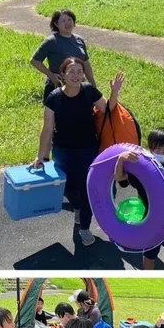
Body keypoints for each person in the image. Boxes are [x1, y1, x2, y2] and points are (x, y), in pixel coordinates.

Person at [33, 58, 124, 247]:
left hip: (88, 150)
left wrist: (114, 92)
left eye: (79, 71)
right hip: (62, 151)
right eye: (71, 71)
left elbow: (107, 109)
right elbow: (48, 128)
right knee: (67, 187)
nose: (76, 75)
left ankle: (84, 227)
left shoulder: (89, 91)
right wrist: (40, 156)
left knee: (87, 190)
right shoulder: (54, 98)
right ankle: (76, 207)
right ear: (63, 75)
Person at [115, 130, 164, 270]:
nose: (162, 152)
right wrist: (121, 159)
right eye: (158, 148)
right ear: (150, 147)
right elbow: (120, 179)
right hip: (151, 221)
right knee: (150, 254)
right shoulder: (142, 171)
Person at [31, 10, 96, 105]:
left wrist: (93, 86)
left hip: (78, 85)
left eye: (70, 20)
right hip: (58, 86)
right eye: (63, 21)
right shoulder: (51, 41)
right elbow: (34, 61)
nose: (67, 23)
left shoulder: (79, 40)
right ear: (56, 24)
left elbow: (86, 64)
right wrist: (51, 75)